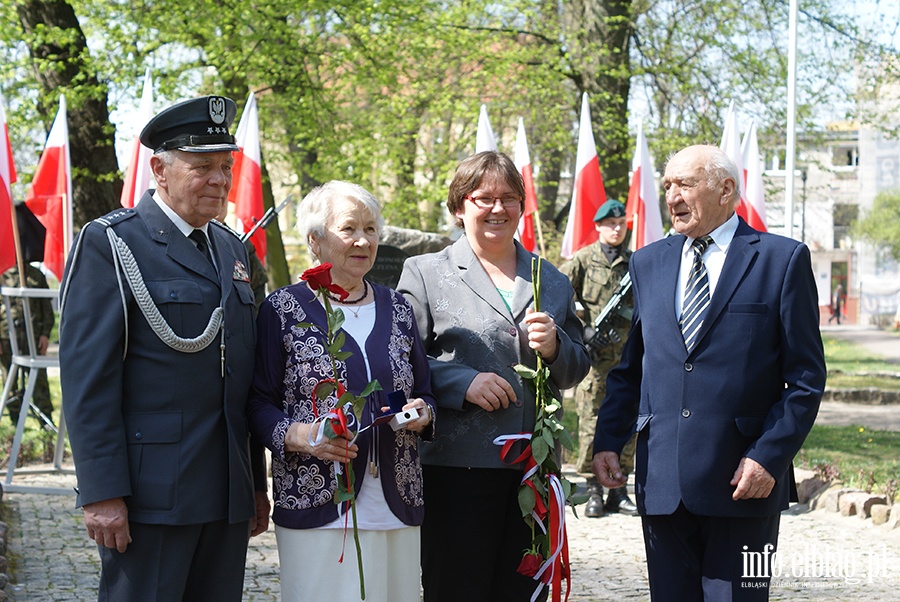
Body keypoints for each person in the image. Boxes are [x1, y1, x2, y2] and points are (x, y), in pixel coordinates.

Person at [59, 95, 270, 601]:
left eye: (226, 166)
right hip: (151, 494)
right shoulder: (111, 244)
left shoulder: (230, 248)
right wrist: (102, 492)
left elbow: (241, 377)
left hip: (225, 492)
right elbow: (88, 380)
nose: (220, 180)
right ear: (160, 169)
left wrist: (254, 485)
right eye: (203, 167)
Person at [592, 145, 826, 600]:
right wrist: (607, 441)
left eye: (685, 184)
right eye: (667, 187)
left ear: (725, 190)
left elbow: (805, 378)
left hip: (743, 483)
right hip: (662, 483)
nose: (672, 197)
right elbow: (632, 368)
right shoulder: (647, 262)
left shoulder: (782, 260)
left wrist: (769, 457)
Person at [397, 151, 590, 602]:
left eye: (508, 198)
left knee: (524, 591)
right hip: (456, 467)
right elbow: (402, 361)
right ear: (459, 206)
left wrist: (557, 346)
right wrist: (461, 383)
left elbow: (577, 366)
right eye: (483, 198)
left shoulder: (552, 279)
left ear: (522, 207)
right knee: (458, 589)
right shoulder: (425, 273)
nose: (497, 208)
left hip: (533, 470)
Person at [247, 180, 436, 602]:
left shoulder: (399, 309)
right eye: (349, 228)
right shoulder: (281, 311)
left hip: (395, 500)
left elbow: (425, 391)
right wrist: (299, 436)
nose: (363, 240)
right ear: (315, 241)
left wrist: (424, 414)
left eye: (371, 229)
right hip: (316, 498)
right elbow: (258, 403)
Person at [560, 199, 638, 518]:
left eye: (621, 224)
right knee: (591, 422)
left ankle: (619, 489)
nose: (617, 229)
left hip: (628, 359)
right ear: (598, 227)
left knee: (628, 421)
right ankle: (593, 489)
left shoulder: (636, 262)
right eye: (610, 224)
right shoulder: (583, 260)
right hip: (594, 361)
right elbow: (558, 296)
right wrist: (584, 332)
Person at [1, 263, 55, 425]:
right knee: (9, 379)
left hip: (34, 335)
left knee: (39, 378)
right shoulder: (3, 274)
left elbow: (46, 308)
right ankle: (15, 420)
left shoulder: (36, 275)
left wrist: (45, 334)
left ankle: (45, 419)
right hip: (7, 335)